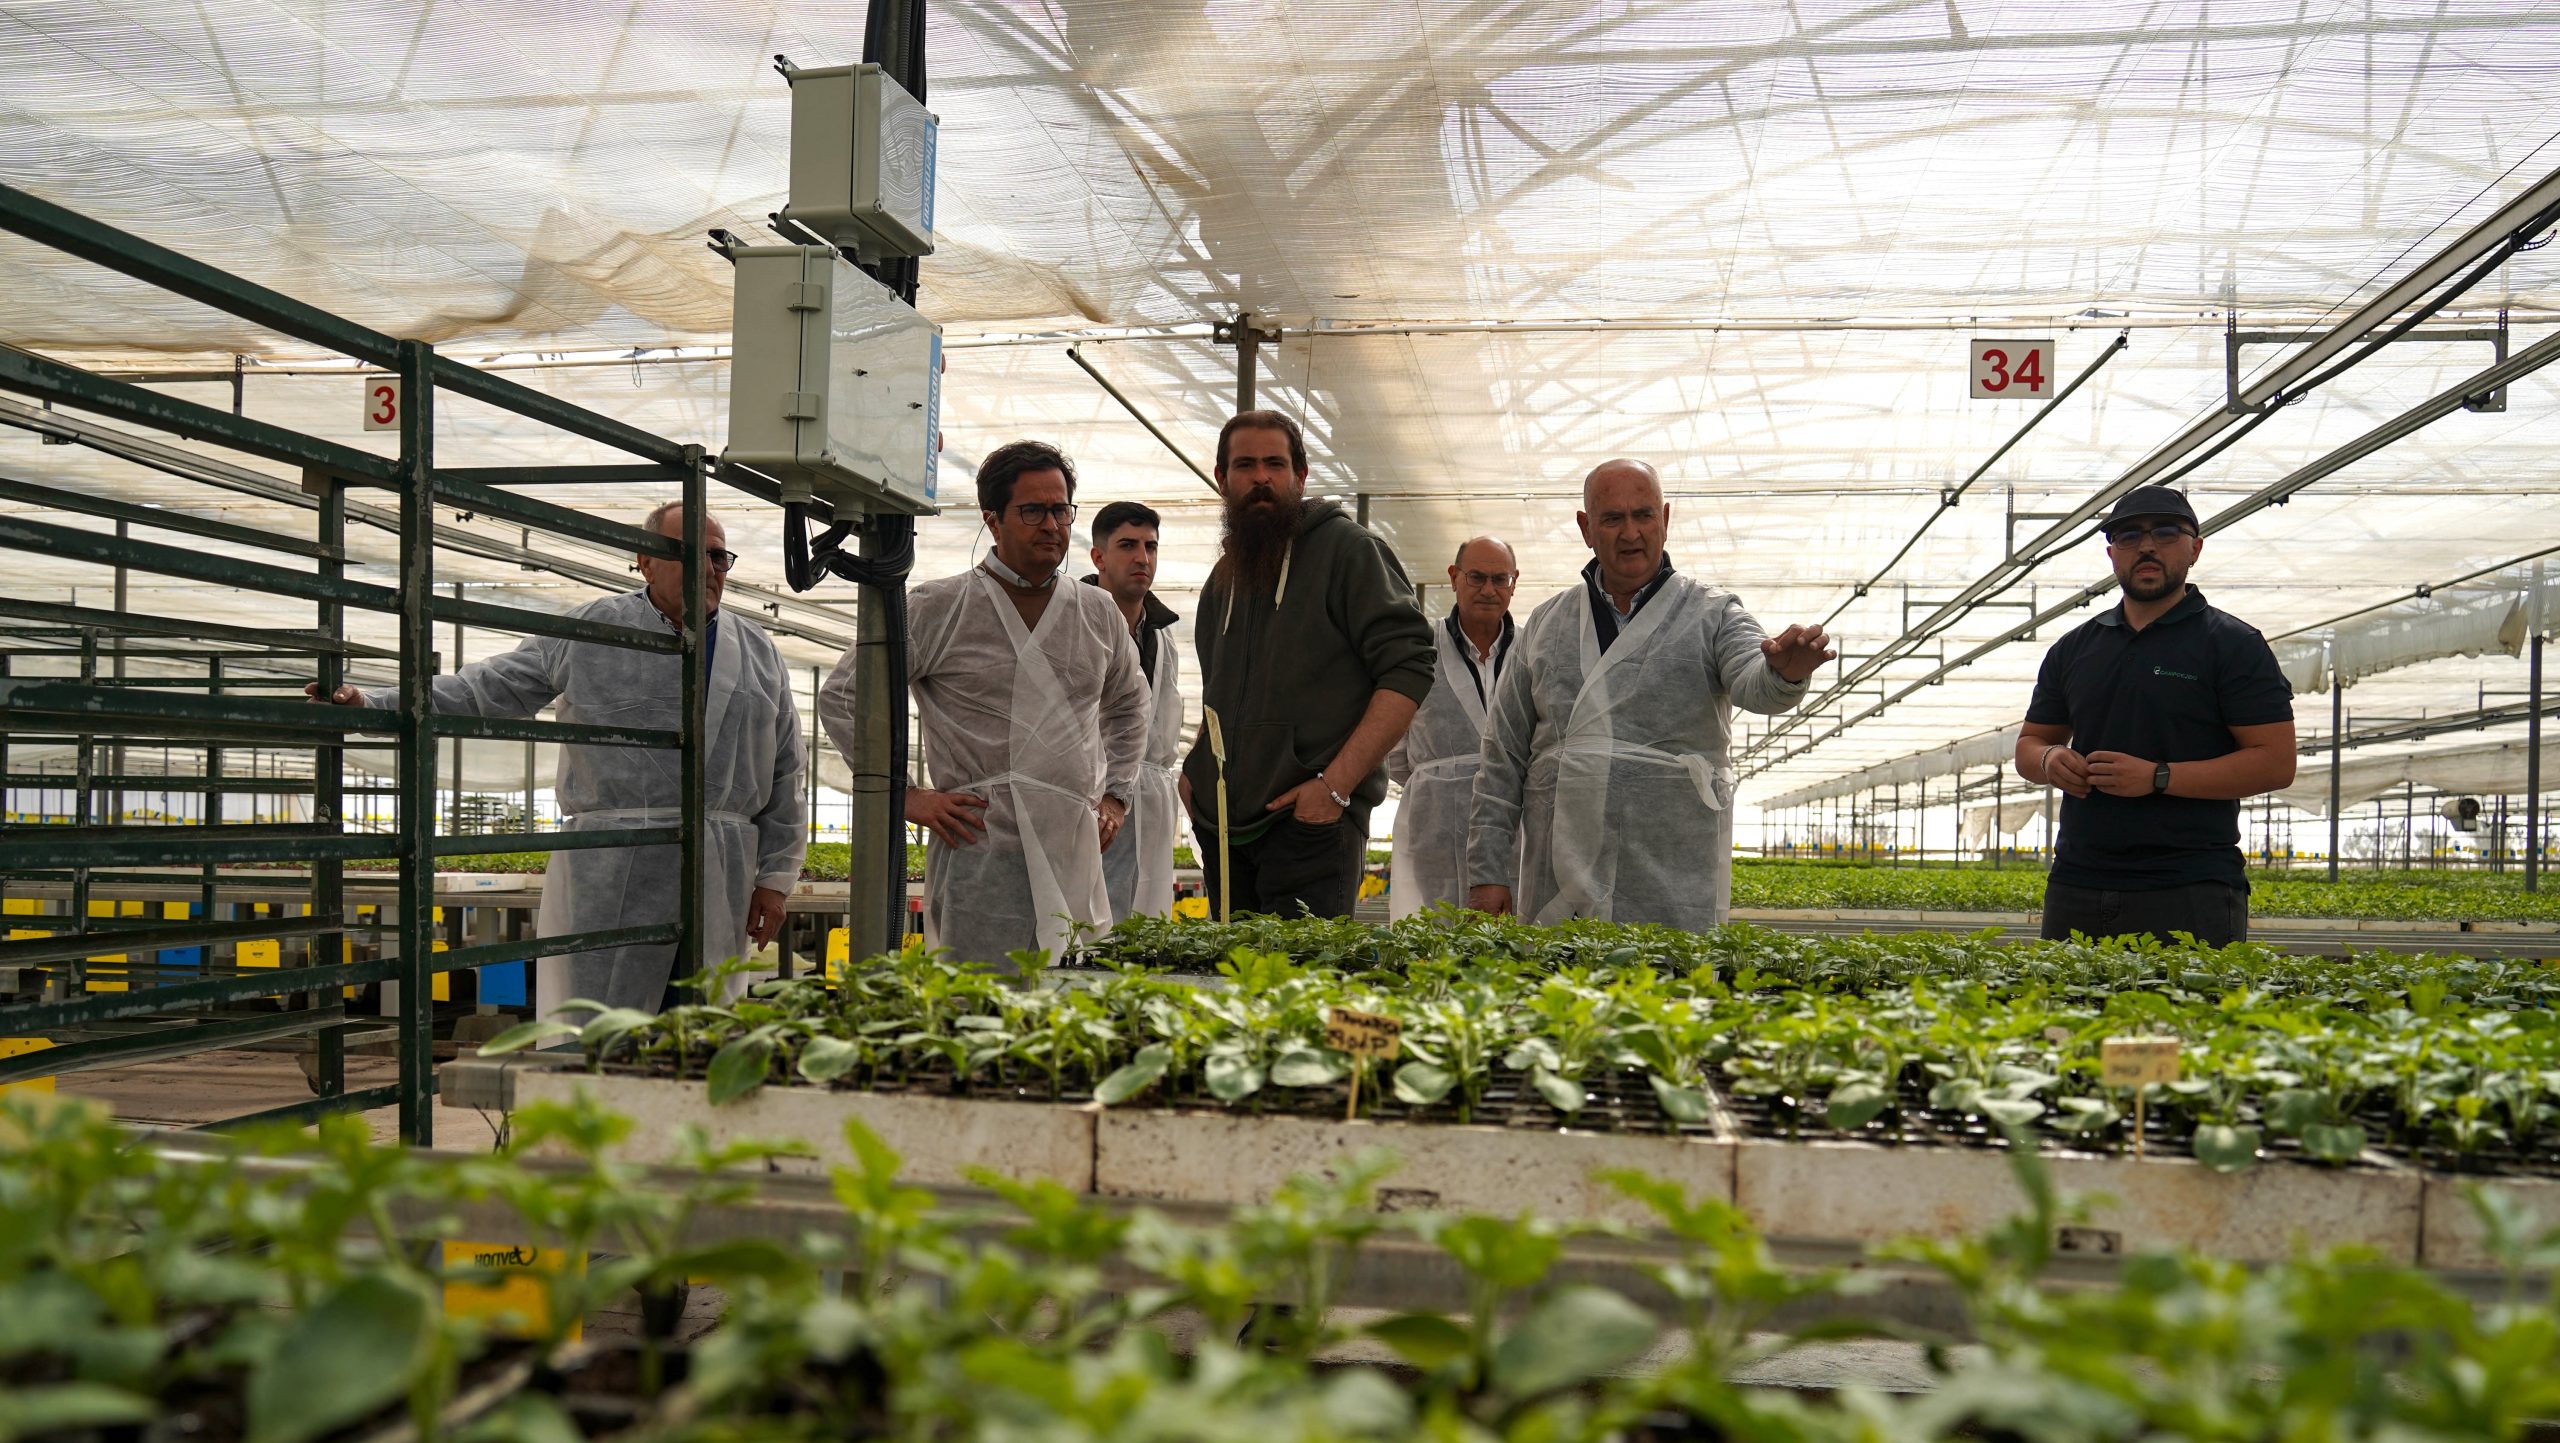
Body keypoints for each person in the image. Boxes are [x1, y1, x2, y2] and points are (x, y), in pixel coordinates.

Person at [308, 503, 806, 1016]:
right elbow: (488, 689)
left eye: (718, 557)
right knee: (600, 1019)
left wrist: (775, 880)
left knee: (702, 1022)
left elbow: (788, 770)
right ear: (645, 561)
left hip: (722, 867)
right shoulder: (592, 630)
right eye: (688, 554)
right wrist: (375, 704)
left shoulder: (758, 651)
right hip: (614, 863)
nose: (708, 569)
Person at [1467, 459, 1832, 930]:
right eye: (1612, 518)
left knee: (1670, 990)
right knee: (1557, 996)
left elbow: (1753, 679)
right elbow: (1501, 758)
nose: (1630, 532)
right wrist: (1487, 871)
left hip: (1672, 876)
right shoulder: (1545, 625)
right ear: (1586, 528)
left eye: (1643, 515)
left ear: (1665, 519)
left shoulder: (1712, 613)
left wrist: (1784, 673)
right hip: (1558, 874)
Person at [826, 440, 1148, 968]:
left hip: (1071, 846)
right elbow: (843, 696)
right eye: (1032, 510)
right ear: (993, 521)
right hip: (981, 847)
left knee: (1070, 1004)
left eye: (1061, 509)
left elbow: (1132, 705)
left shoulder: (1097, 612)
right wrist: (905, 797)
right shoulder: (940, 607)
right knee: (978, 1002)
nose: (1052, 524)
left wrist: (1115, 795)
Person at [2014, 485, 2296, 947]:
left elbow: (2275, 763)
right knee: (2067, 1019)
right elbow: (2030, 745)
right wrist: (2050, 761)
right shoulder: (2074, 648)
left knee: (2185, 1019)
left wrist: (2158, 777)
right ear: (2112, 554)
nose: (2146, 546)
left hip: (2189, 886)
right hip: (2077, 880)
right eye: (2128, 536)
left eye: (2165, 533)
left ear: (2195, 549)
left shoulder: (2232, 644)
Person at [1181, 410, 1435, 919]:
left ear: (1300, 475)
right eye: (1244, 465)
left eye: (1275, 464)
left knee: (1302, 987)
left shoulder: (1348, 552)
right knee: (1228, 990)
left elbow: (1409, 667)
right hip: (1225, 829)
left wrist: (1335, 787)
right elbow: (1220, 694)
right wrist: (1196, 774)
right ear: (1221, 478)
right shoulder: (1224, 579)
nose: (1260, 478)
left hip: (1311, 827)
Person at [1386, 535, 1518, 919]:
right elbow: (1395, 750)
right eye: (1476, 577)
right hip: (1435, 825)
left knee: (1514, 943)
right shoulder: (1420, 648)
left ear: (1514, 582)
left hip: (1515, 833)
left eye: (1500, 579)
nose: (1488, 590)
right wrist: (1442, 782)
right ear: (1454, 577)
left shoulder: (1532, 651)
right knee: (1436, 933)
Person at [1084, 500, 1186, 924]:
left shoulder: (1163, 640)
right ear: (1099, 556)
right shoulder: (1074, 623)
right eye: (1127, 545)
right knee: (1083, 923)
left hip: (1150, 802)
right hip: (1091, 799)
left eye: (1151, 546)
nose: (1142, 558)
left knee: (1144, 921)